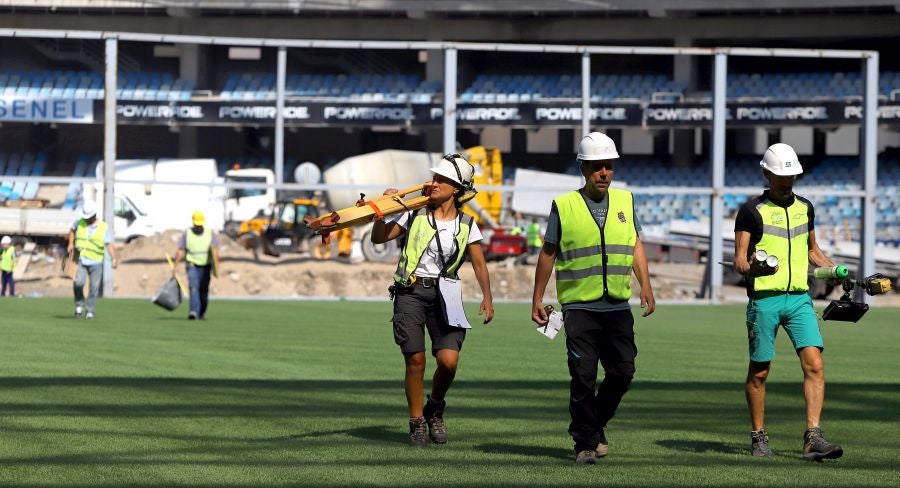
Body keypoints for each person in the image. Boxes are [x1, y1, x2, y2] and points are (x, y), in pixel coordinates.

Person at [531, 131, 655, 465]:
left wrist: (645, 284)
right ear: (583, 169)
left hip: (617, 306)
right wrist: (537, 299)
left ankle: (594, 423)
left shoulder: (626, 202)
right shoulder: (565, 205)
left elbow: (634, 244)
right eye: (597, 167)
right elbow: (548, 252)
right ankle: (584, 442)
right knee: (583, 376)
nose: (604, 173)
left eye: (608, 166)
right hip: (579, 309)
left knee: (623, 373)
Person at [371, 153, 494, 447]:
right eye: (435, 177)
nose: (433, 182)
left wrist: (488, 297)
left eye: (442, 179)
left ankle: (435, 406)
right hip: (411, 292)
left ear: (457, 188)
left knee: (449, 361)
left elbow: (479, 264)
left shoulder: (467, 223)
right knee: (415, 359)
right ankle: (417, 422)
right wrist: (381, 213)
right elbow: (379, 238)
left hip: (447, 293)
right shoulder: (413, 212)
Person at [733, 143, 843, 462]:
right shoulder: (751, 211)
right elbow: (739, 260)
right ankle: (758, 436)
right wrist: (753, 266)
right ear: (766, 173)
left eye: (791, 175)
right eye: (780, 175)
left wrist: (831, 268)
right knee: (760, 372)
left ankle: (813, 438)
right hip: (764, 301)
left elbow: (812, 250)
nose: (786, 181)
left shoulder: (805, 207)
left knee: (815, 364)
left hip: (799, 299)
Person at [67, 200, 118, 319]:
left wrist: (114, 259)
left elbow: (109, 244)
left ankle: (90, 310)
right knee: (78, 283)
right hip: (80, 259)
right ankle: (79, 306)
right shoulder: (79, 222)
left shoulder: (103, 227)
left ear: (94, 215)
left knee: (94, 288)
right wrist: (70, 243)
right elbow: (72, 231)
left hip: (96, 261)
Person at [173, 210, 219, 320]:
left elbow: (215, 251)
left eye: (200, 224)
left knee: (203, 291)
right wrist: (175, 266)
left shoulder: (209, 233)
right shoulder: (187, 233)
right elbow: (180, 250)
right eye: (196, 224)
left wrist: (216, 268)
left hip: (206, 266)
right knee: (194, 288)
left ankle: (201, 312)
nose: (198, 227)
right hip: (192, 265)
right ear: (193, 223)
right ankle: (193, 311)